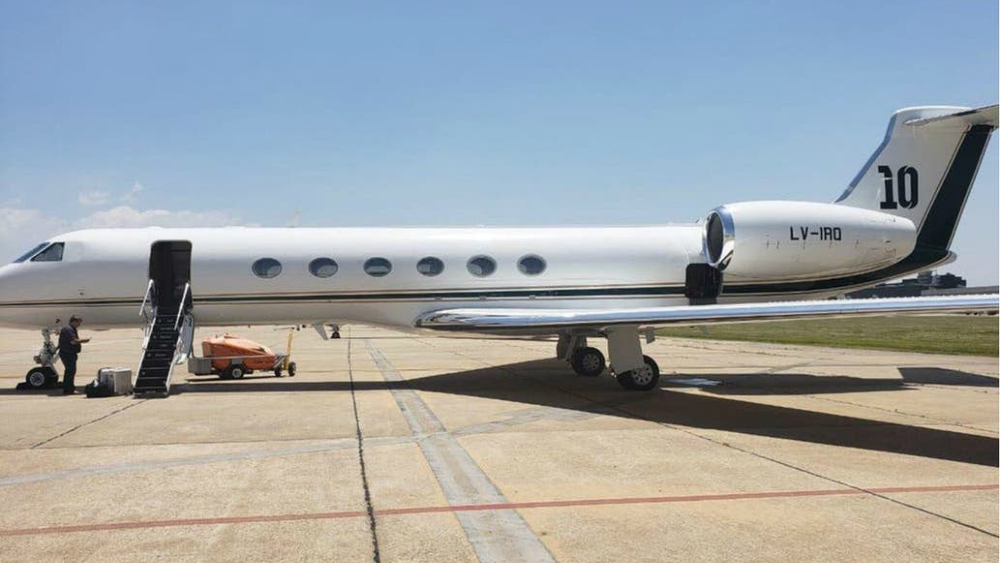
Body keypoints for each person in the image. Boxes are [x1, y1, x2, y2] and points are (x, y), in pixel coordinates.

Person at [58, 315, 90, 395]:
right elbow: (73, 341)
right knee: (70, 371)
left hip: (69, 353)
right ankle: (68, 389)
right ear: (74, 322)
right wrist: (84, 340)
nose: (79, 325)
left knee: (70, 371)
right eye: (78, 323)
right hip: (67, 354)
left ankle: (68, 388)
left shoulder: (71, 329)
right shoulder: (68, 329)